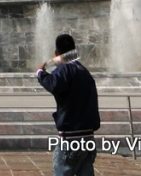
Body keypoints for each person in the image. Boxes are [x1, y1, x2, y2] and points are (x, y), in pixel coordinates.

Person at [36, 33, 100, 176]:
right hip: (88, 137)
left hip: (70, 140)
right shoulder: (84, 71)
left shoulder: (65, 69)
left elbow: (53, 84)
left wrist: (40, 73)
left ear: (57, 53)